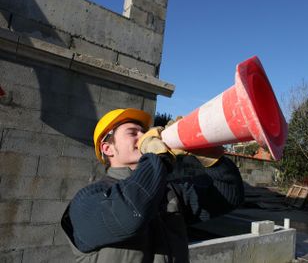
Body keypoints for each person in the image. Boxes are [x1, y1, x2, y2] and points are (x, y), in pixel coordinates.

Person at [61, 108, 244, 263]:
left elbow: (229, 195)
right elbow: (131, 213)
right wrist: (159, 157)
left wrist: (208, 154)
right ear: (107, 148)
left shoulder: (169, 192)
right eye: (133, 133)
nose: (143, 137)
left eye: (144, 132)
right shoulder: (86, 200)